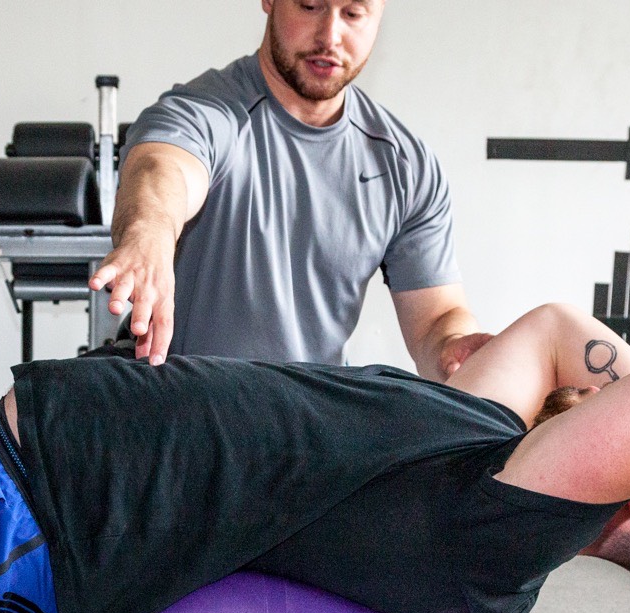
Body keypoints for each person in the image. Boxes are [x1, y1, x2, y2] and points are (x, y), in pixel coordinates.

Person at [0, 303, 630, 613]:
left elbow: (561, 330)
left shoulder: (482, 445)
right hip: (24, 500)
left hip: (28, 488)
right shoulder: (500, 531)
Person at [88, 0, 488, 378]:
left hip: (312, 415)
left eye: (353, 13)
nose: (330, 36)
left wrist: (452, 346)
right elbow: (163, 167)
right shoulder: (207, 112)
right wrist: (149, 233)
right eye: (310, 6)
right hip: (187, 407)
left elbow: (435, 319)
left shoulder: (404, 166)